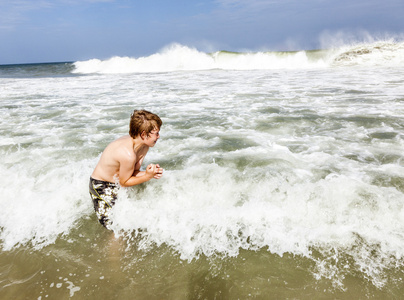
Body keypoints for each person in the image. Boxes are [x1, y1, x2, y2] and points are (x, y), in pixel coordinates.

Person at [89, 109, 163, 229]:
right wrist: (147, 176)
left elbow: (131, 172)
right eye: (156, 133)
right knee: (117, 227)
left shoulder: (143, 145)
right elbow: (124, 182)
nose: (159, 136)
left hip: (117, 182)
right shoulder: (127, 154)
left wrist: (149, 173)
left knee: (129, 221)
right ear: (144, 134)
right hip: (101, 186)